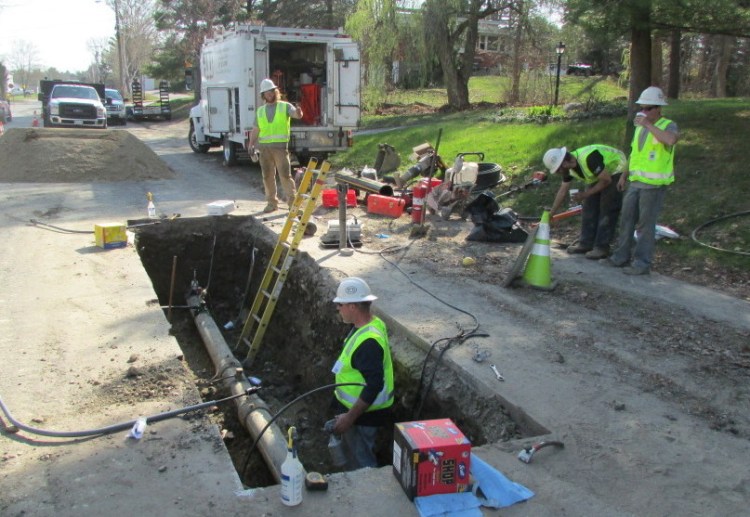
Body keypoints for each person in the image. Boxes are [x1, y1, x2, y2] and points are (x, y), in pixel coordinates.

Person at [606, 86, 679, 275]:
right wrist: (624, 175)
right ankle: (621, 256)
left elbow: (670, 140)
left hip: (654, 185)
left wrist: (648, 124)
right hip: (635, 182)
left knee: (645, 226)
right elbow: (635, 153)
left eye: (648, 108)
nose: (644, 112)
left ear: (658, 108)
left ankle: (642, 263)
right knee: (627, 220)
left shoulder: (667, 125)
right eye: (642, 108)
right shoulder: (640, 128)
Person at [330, 277, 394, 470]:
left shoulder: (368, 343)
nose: (338, 309)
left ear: (352, 307)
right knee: (358, 453)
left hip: (364, 415)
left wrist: (349, 418)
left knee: (361, 460)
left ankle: (367, 493)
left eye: (340, 305)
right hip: (359, 410)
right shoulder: (371, 324)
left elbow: (374, 385)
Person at [543, 145, 628, 259]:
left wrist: (585, 194)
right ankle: (586, 243)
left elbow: (607, 180)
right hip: (599, 175)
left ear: (564, 164)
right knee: (589, 207)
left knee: (607, 207)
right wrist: (551, 213)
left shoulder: (589, 158)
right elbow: (563, 191)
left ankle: (601, 247)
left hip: (616, 171)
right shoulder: (569, 168)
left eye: (557, 170)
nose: (558, 173)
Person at [246, 79, 303, 213]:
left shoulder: (285, 106)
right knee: (267, 176)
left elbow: (296, 114)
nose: (269, 95)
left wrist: (299, 112)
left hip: (280, 148)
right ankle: (272, 203)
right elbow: (255, 129)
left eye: (271, 92)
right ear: (263, 95)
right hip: (264, 149)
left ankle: (292, 204)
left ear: (275, 92)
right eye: (267, 93)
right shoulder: (260, 111)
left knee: (285, 175)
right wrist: (251, 144)